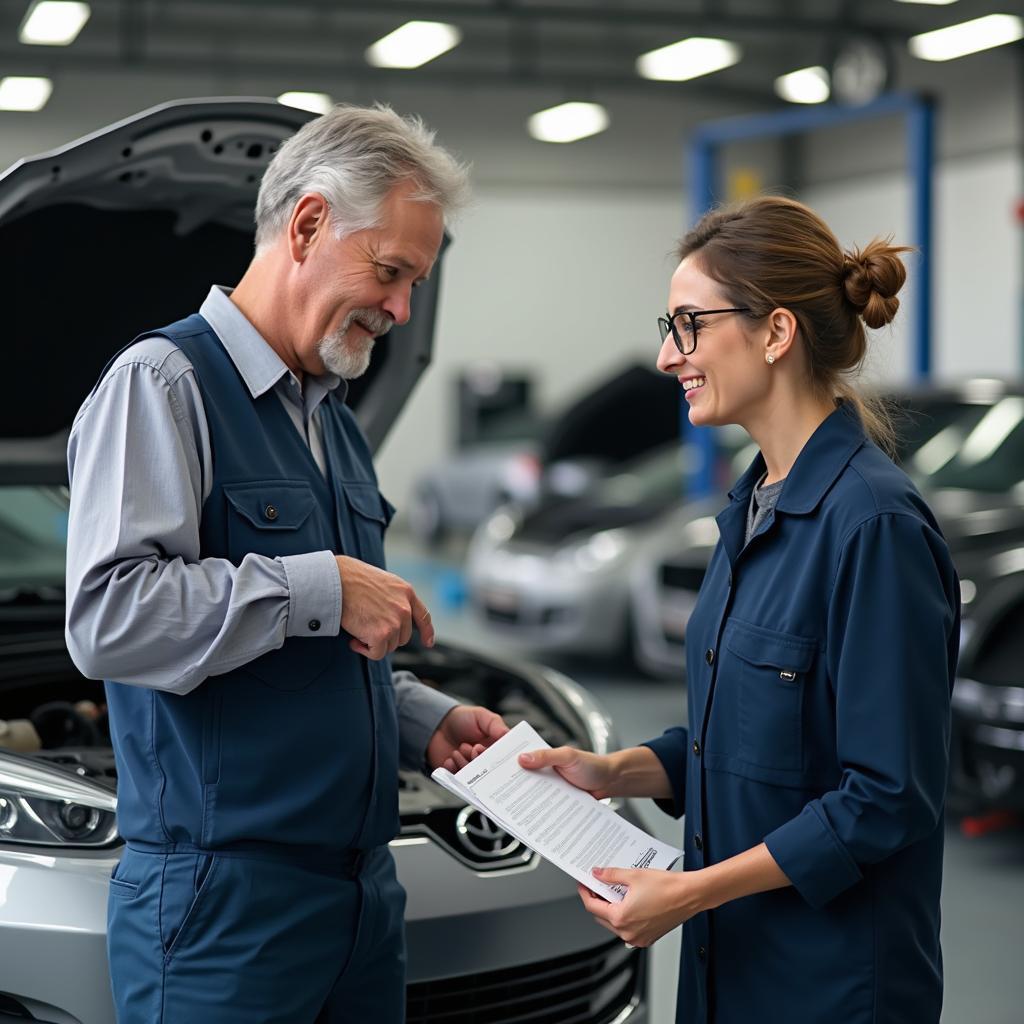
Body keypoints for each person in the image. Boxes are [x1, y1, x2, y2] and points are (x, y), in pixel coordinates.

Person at [65, 104, 507, 1024]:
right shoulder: (163, 386)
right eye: (391, 272)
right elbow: (108, 617)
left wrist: (422, 717)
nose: (400, 309)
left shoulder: (334, 421)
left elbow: (307, 654)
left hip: (359, 898)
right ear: (306, 226)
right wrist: (322, 583)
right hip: (221, 907)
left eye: (415, 283)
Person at [521, 195, 960, 1023]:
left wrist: (691, 893)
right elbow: (757, 739)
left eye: (688, 324)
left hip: (831, 987)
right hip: (733, 966)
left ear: (776, 332)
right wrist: (617, 773)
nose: (664, 356)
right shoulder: (752, 506)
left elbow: (886, 795)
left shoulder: (874, 528)